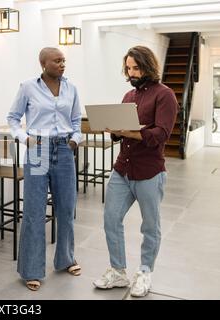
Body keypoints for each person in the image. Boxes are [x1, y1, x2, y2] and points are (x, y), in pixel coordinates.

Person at [93, 46, 178, 297]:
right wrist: (113, 129)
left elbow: (161, 134)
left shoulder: (165, 95)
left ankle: (144, 273)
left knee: (150, 226)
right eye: (128, 68)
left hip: (150, 171)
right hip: (123, 169)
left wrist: (132, 132)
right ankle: (118, 272)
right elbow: (119, 134)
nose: (131, 72)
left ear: (147, 66)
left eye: (135, 68)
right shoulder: (128, 95)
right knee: (110, 219)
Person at [7, 47, 83, 291]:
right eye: (57, 61)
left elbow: (76, 121)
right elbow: (13, 118)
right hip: (38, 150)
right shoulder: (28, 86)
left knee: (66, 208)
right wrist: (25, 138)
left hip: (63, 149)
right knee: (34, 211)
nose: (62, 64)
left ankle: (66, 259)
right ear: (43, 64)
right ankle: (31, 270)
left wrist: (75, 140)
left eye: (64, 61)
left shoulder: (71, 88)